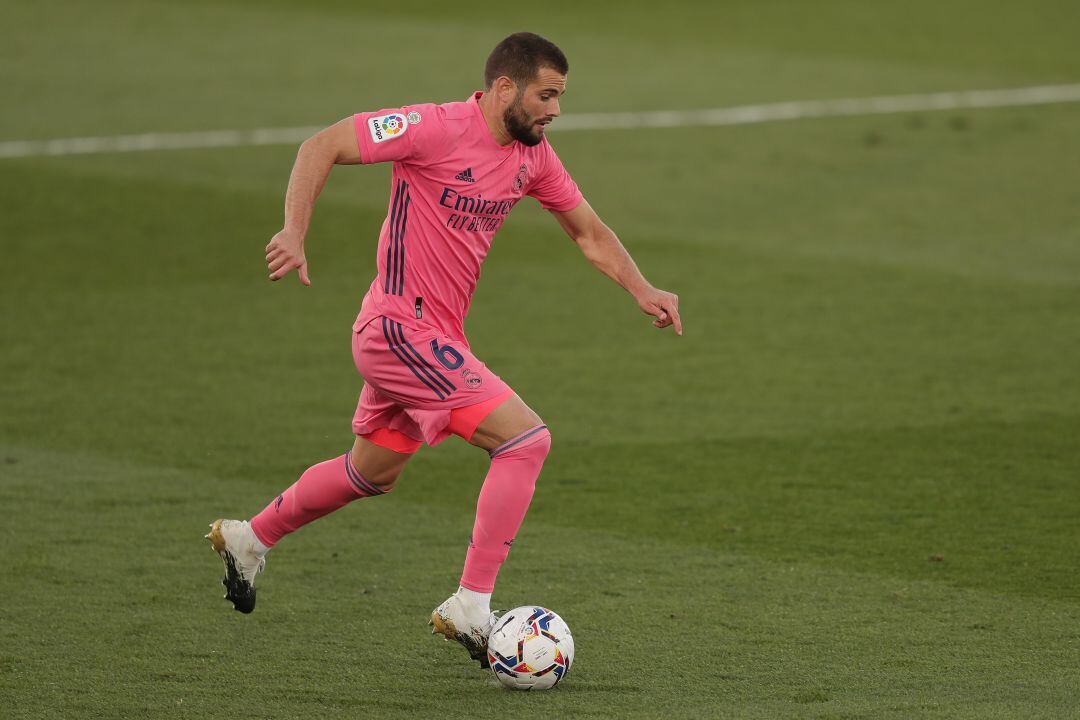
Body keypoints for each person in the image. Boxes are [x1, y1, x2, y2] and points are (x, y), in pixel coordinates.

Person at [206, 31, 682, 666]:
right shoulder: (432, 127)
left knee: (371, 472)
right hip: (399, 329)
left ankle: (249, 537)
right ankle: (471, 605)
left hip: (432, 338)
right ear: (505, 88)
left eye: (561, 97)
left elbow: (590, 233)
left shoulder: (533, 158)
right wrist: (294, 230)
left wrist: (642, 288)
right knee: (525, 440)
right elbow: (321, 145)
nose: (555, 111)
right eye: (547, 95)